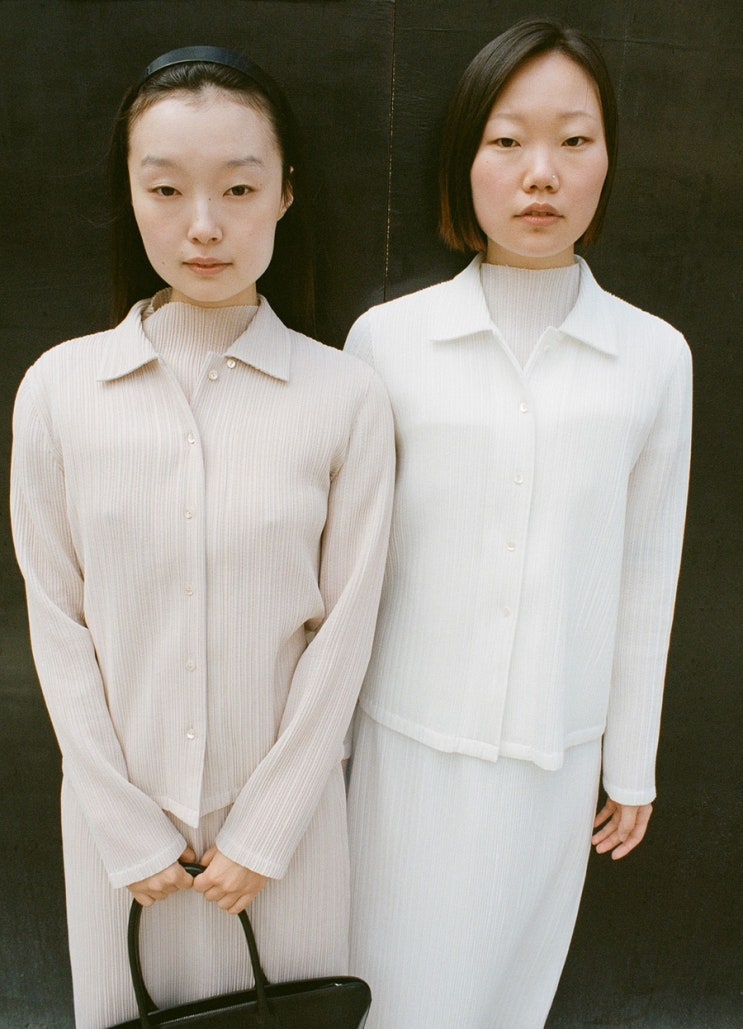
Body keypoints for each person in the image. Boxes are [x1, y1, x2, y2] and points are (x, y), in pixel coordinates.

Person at [11, 46, 394, 1028]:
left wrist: (267, 831)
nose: (204, 224)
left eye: (238, 187)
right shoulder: (58, 389)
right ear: (130, 194)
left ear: (285, 194)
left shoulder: (345, 395)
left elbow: (344, 632)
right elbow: (56, 625)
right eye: (166, 188)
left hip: (289, 843)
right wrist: (123, 826)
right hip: (118, 844)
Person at [344, 19, 692, 1028]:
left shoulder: (653, 356)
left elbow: (646, 568)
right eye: (506, 141)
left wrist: (629, 760)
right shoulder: (388, 342)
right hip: (398, 746)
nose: (541, 173)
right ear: (465, 159)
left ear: (606, 160)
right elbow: (348, 565)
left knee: (504, 1001)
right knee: (383, 991)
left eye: (573, 141)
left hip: (553, 750)